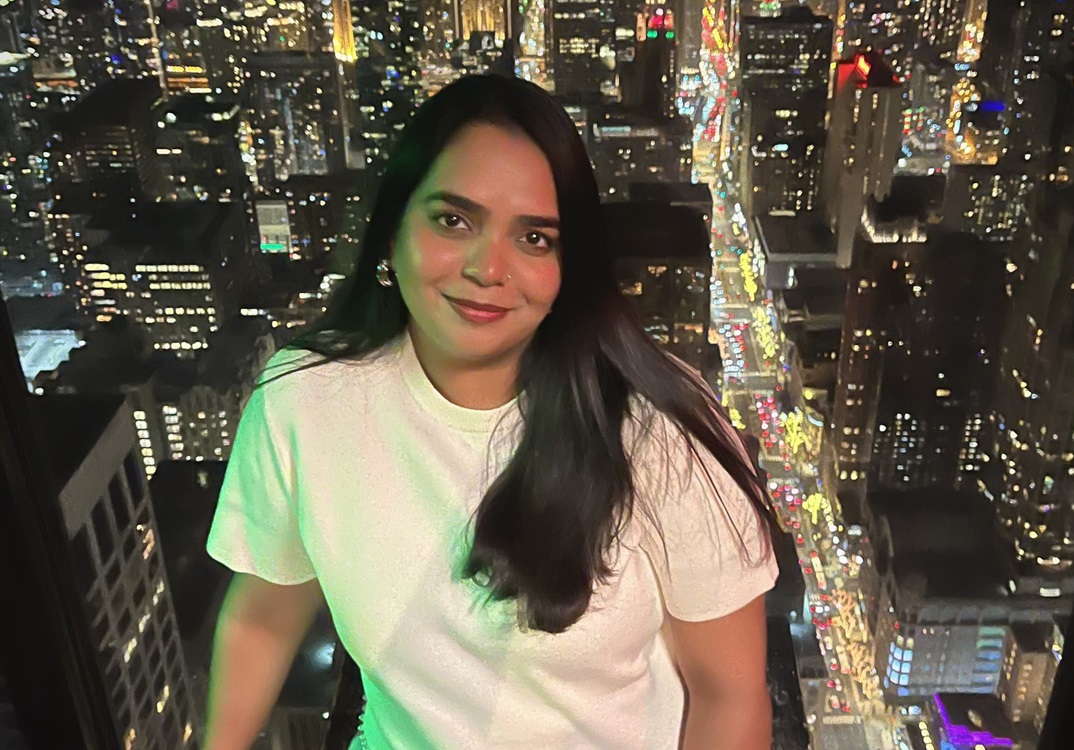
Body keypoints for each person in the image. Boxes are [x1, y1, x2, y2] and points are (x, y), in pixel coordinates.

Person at [202, 74, 779, 750]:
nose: (488, 267)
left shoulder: (661, 432)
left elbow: (729, 695)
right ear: (392, 235)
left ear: (569, 267)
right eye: (454, 220)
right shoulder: (304, 400)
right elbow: (265, 612)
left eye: (534, 238)